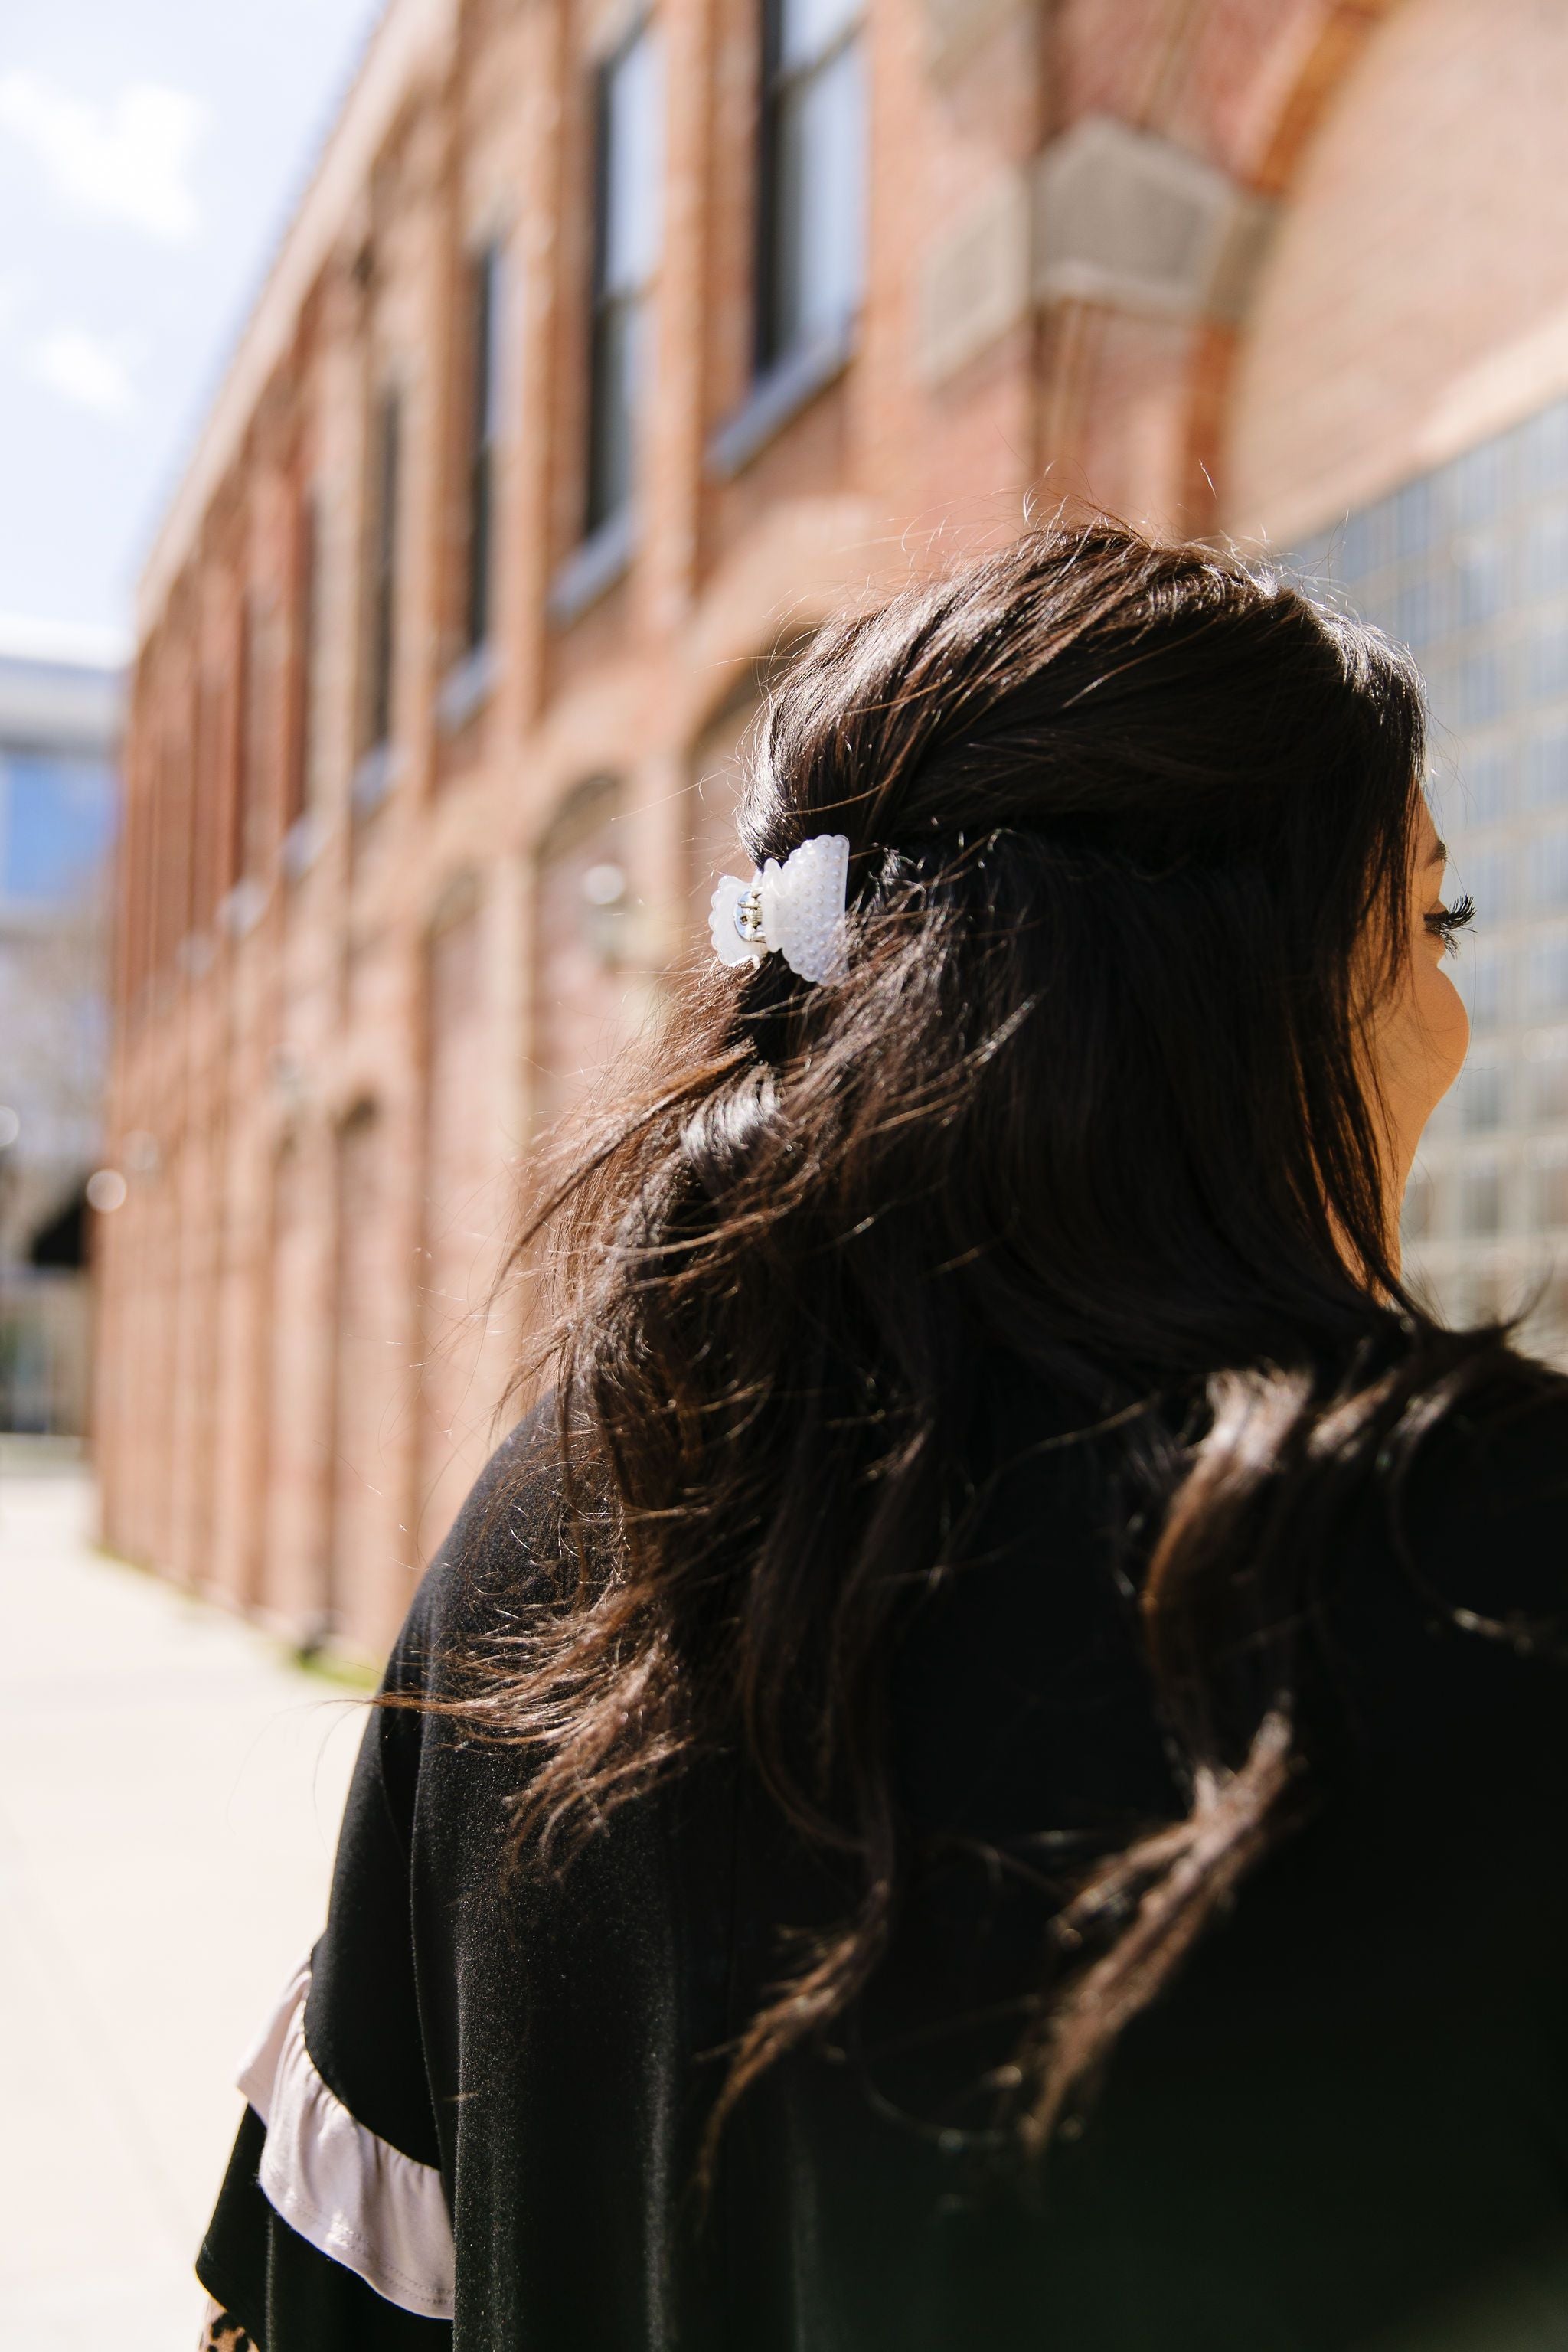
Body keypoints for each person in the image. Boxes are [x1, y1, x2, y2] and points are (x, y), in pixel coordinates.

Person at [196, 520, 1568, 2352]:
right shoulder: (1476, 1561)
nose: (1454, 1020)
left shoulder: (539, 1536)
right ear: (1245, 985)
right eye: (1430, 917)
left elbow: (318, 2302)